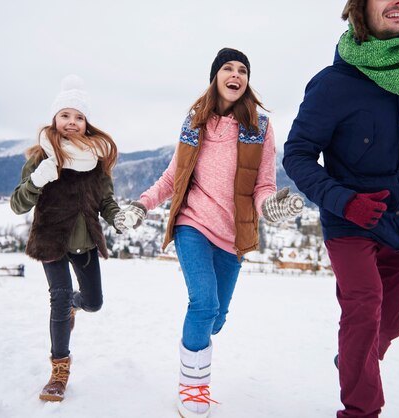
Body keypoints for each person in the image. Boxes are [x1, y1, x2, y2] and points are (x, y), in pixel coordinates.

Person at [118, 47, 304, 418]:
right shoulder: (194, 122)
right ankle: (193, 388)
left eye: (243, 70)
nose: (236, 75)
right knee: (203, 304)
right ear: (216, 76)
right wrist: (142, 204)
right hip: (193, 223)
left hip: (233, 235)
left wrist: (271, 207)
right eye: (228, 68)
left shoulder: (260, 127)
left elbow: (264, 184)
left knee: (216, 318)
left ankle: (200, 346)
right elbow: (174, 176)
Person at [282, 1, 399, 417]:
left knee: (389, 325)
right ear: (361, 8)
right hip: (351, 222)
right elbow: (298, 155)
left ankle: (353, 359)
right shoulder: (333, 84)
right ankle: (361, 410)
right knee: (364, 307)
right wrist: (344, 201)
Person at [10, 75, 137, 402]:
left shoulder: (96, 161)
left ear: (87, 123)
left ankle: (73, 309)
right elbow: (17, 204)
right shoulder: (41, 158)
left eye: (79, 117)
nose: (72, 122)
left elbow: (106, 201)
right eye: (65, 115)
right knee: (60, 296)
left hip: (85, 243)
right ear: (54, 119)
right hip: (51, 240)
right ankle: (59, 370)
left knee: (93, 302)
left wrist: (117, 217)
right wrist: (38, 179)